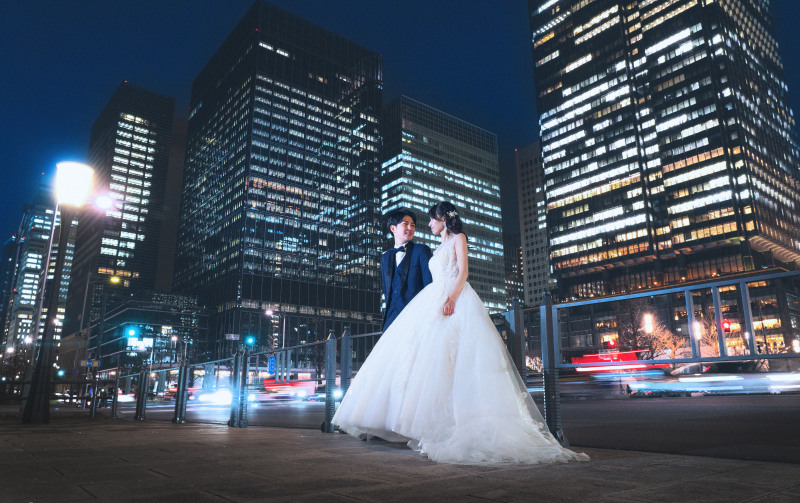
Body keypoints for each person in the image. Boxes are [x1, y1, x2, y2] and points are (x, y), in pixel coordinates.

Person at [334, 201, 588, 465]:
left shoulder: (456, 239)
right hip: (428, 303)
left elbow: (463, 272)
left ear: (444, 219)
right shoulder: (434, 248)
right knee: (430, 368)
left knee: (452, 361)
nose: (426, 225)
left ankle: (447, 427)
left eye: (431, 219)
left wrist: (451, 299)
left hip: (453, 300)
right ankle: (419, 426)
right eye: (413, 222)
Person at [380, 208, 433, 330]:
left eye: (412, 225)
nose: (410, 228)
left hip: (415, 316)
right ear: (393, 228)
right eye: (405, 224)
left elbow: (429, 285)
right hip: (391, 318)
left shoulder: (421, 250)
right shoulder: (385, 257)